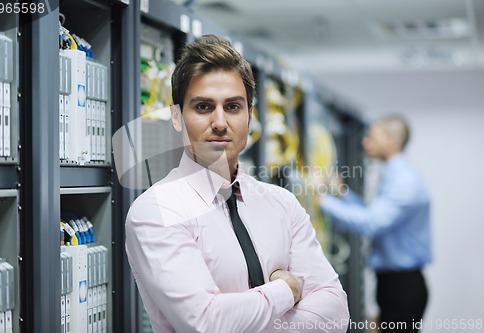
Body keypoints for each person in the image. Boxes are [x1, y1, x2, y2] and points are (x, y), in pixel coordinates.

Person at [125, 34, 349, 333]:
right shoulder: (156, 212)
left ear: (250, 116)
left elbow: (336, 314)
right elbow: (206, 323)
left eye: (232, 107)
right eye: (203, 107)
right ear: (177, 117)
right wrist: (287, 290)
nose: (219, 122)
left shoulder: (282, 204)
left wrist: (245, 316)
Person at [320, 115, 431, 332]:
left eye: (372, 136)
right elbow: (373, 212)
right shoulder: (395, 174)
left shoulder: (404, 181)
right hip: (395, 284)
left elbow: (372, 222)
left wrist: (321, 200)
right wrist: (342, 194)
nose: (365, 142)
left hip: (403, 287)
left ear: (392, 142)